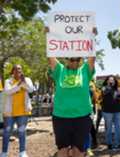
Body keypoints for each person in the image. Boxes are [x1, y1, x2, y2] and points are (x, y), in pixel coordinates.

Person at [47, 27, 96, 157]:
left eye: (77, 59)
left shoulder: (85, 70)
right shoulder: (60, 70)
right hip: (61, 116)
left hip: (82, 116)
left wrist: (92, 37)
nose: (74, 62)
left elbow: (92, 57)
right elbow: (51, 55)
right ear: (66, 59)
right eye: (71, 59)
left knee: (79, 151)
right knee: (62, 150)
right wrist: (49, 36)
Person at [0, 65, 34, 157]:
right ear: (12, 72)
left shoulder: (27, 79)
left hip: (23, 112)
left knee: (22, 131)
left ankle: (22, 152)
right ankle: (4, 152)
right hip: (9, 112)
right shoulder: (8, 81)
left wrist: (24, 82)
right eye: (16, 69)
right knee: (7, 132)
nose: (18, 70)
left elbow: (31, 89)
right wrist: (19, 84)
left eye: (20, 69)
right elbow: (8, 91)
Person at [101, 75, 120, 150]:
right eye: (109, 80)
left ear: (115, 81)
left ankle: (117, 144)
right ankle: (109, 143)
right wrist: (109, 87)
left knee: (118, 128)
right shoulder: (104, 87)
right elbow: (104, 93)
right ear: (107, 81)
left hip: (117, 110)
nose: (111, 81)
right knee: (109, 128)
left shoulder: (117, 88)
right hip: (107, 111)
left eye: (112, 80)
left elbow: (119, 98)